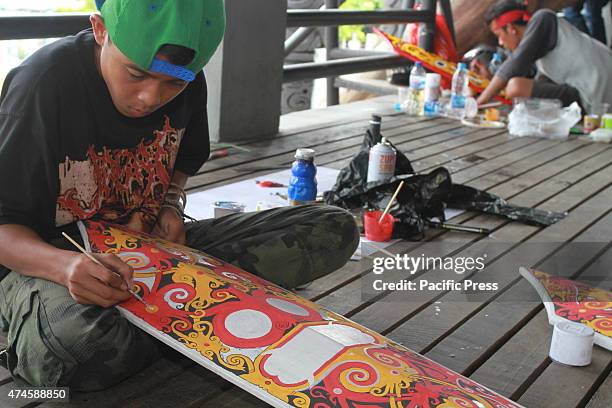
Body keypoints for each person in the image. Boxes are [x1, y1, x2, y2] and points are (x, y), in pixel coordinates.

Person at [0, 0, 359, 391]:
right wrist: (64, 267)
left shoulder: (189, 80)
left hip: (151, 255)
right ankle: (204, 318)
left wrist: (170, 204)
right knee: (77, 347)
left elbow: (180, 163)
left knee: (334, 228)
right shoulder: (43, 83)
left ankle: (170, 322)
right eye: (136, 74)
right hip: (46, 262)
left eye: (174, 83)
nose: (151, 98)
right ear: (101, 30)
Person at [476, 0, 612, 113]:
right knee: (518, 86)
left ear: (511, 28)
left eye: (499, 36)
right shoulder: (537, 44)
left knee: (516, 86)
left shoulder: (543, 19)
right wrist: (488, 78)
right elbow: (530, 80)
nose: (500, 43)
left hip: (593, 97)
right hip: (589, 96)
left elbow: (513, 67)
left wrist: (480, 101)